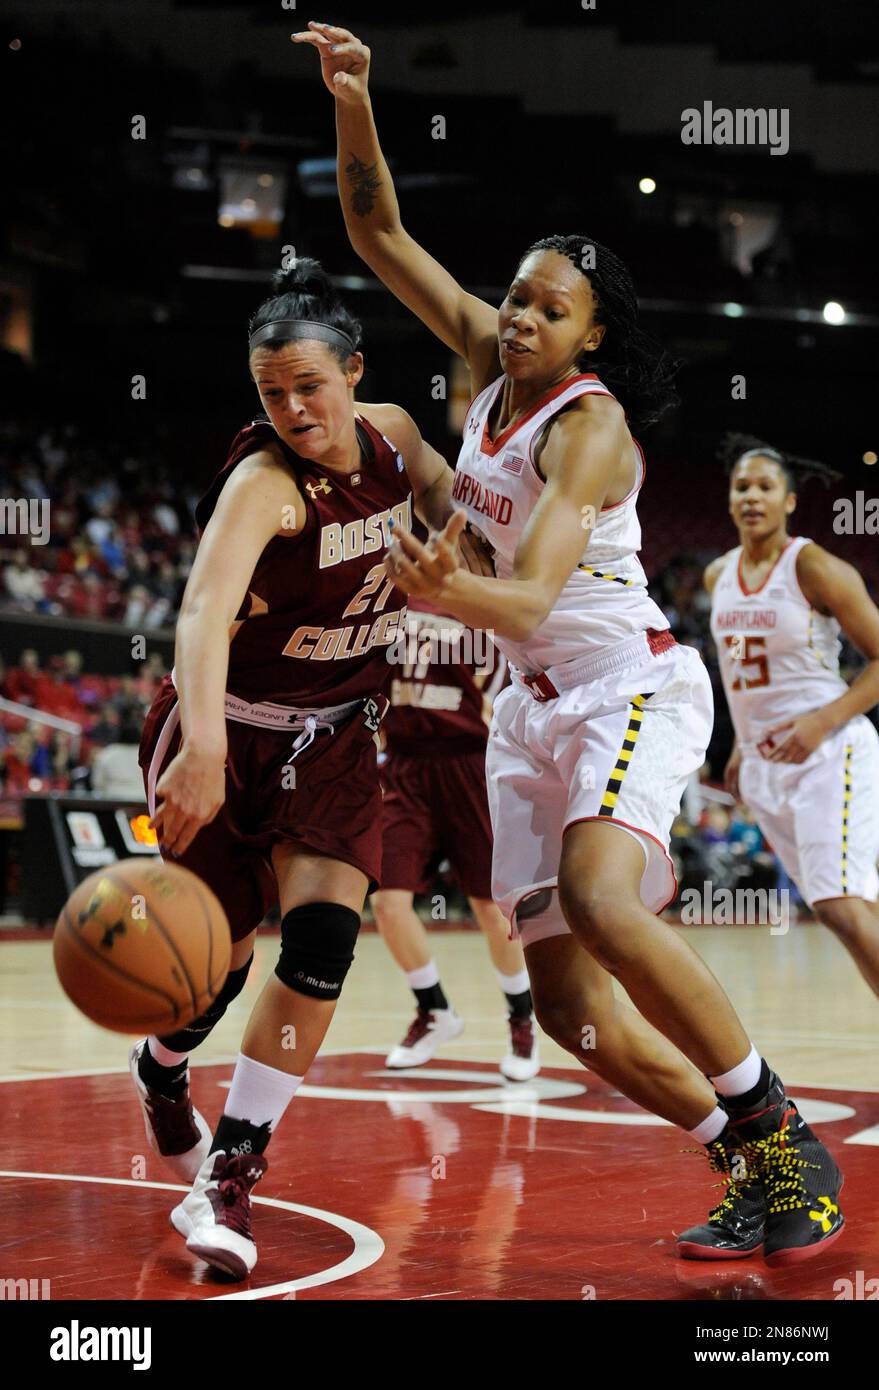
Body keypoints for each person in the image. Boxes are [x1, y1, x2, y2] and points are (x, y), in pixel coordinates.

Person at [295, 20, 846, 1265]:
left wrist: (437, 591)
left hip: (626, 685)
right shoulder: (488, 364)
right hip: (526, 711)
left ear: (591, 334)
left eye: (553, 306)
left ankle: (778, 1123)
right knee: (572, 1016)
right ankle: (744, 1154)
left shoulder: (588, 430)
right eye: (519, 295)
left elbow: (536, 596)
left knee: (604, 899)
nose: (524, 315)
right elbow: (377, 233)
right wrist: (357, 101)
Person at [132, 258, 491, 1280]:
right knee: (216, 968)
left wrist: (472, 551)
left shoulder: (396, 436)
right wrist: (201, 747)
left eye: (309, 387)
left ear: (355, 373)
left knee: (327, 934)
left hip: (335, 732)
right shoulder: (262, 484)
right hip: (229, 728)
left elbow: (459, 512)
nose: (292, 408)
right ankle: (164, 1066)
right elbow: (201, 614)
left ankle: (232, 1172)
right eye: (270, 391)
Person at [706, 432, 879, 994]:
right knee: (852, 908)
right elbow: (742, 672)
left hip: (830, 749)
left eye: (765, 486)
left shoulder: (812, 566)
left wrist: (821, 721)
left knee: (837, 905)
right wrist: (741, 742)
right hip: (765, 761)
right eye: (741, 487)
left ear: (789, 500)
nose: (751, 496)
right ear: (730, 498)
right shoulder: (718, 576)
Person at [373, 595, 539, 1079]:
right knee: (387, 901)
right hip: (404, 762)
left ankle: (521, 1020)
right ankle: (435, 1010)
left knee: (489, 906)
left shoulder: (482, 597)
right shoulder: (383, 597)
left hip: (469, 760)